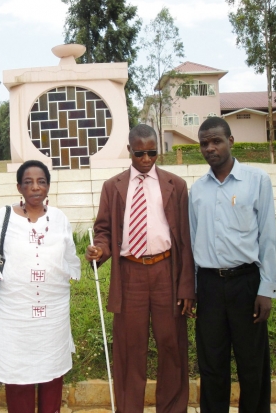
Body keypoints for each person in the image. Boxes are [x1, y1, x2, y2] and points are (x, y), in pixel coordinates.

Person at [85, 124, 195, 413]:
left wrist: (186, 287)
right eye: (140, 153)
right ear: (129, 151)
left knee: (172, 346)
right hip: (130, 274)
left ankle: (171, 408)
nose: (146, 159)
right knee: (129, 349)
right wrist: (99, 249)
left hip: (166, 273)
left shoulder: (175, 185)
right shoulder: (114, 186)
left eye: (152, 153)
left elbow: (185, 240)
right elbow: (105, 231)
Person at [0, 160, 81, 413]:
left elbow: (69, 261)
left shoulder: (60, 218)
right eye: (28, 182)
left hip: (52, 315)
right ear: (19, 187)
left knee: (52, 370)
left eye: (41, 182)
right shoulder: (4, 217)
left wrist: (91, 253)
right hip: (13, 314)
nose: (35, 187)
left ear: (48, 186)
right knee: (17, 372)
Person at [189, 117, 276, 413]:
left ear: (231, 141)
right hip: (210, 287)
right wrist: (193, 288)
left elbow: (268, 238)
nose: (210, 148)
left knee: (252, 364)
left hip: (247, 284)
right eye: (204, 143)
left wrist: (266, 289)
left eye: (216, 141)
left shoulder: (257, 181)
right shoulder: (198, 190)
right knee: (212, 365)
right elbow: (192, 242)